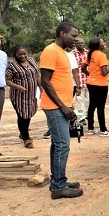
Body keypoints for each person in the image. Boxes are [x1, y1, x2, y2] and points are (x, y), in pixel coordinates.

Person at [39, 22, 83, 199]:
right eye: (73, 35)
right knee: (62, 145)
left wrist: (69, 104)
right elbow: (45, 81)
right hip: (55, 107)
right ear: (62, 33)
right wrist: (62, 106)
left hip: (62, 105)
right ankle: (58, 187)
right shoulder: (50, 51)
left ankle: (57, 180)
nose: (75, 39)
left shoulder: (62, 53)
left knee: (57, 145)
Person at [5, 45, 41, 149]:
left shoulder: (32, 61)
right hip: (18, 95)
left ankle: (23, 132)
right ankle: (26, 139)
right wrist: (17, 86)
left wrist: (41, 88)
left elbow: (37, 75)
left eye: (24, 54)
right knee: (22, 115)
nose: (22, 56)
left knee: (29, 114)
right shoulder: (11, 66)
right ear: (15, 55)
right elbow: (7, 80)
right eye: (20, 54)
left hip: (31, 94)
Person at [84, 37, 109, 136]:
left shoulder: (90, 54)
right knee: (100, 107)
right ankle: (103, 130)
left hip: (91, 83)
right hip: (100, 85)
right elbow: (104, 72)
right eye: (103, 42)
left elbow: (83, 68)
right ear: (98, 45)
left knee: (92, 105)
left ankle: (91, 128)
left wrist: (91, 75)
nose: (104, 43)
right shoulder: (102, 55)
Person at [72, 37, 89, 122]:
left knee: (88, 99)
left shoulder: (88, 53)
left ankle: (86, 115)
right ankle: (80, 117)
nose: (81, 45)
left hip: (89, 80)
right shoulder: (72, 54)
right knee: (79, 100)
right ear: (75, 44)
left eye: (82, 43)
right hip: (78, 80)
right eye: (79, 43)